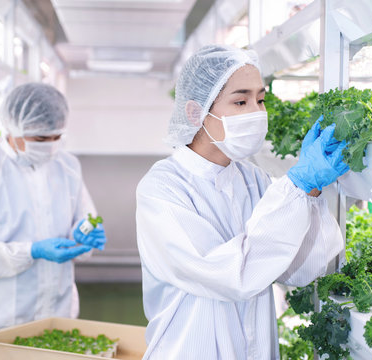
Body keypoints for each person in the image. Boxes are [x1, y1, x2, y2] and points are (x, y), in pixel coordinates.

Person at [136, 45, 349, 359]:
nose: (257, 112)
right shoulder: (163, 188)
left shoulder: (255, 179)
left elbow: (301, 270)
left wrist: (310, 191)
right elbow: (233, 277)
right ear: (196, 112)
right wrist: (297, 185)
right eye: (240, 100)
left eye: (260, 99)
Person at [0, 83, 107, 337]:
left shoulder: (67, 166)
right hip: (0, 323)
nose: (51, 145)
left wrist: (84, 236)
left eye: (57, 137)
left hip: (58, 316)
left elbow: (84, 220)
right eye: (41, 139)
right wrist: (30, 252)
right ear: (13, 128)